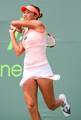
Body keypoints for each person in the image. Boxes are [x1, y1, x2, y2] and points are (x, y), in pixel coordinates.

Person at [9, 4, 71, 120]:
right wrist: (12, 34)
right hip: (28, 70)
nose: (25, 14)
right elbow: (18, 52)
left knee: (51, 105)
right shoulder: (25, 34)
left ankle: (62, 101)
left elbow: (14, 22)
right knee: (31, 106)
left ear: (35, 15)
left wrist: (18, 27)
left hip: (42, 68)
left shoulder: (39, 25)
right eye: (24, 12)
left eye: (28, 12)